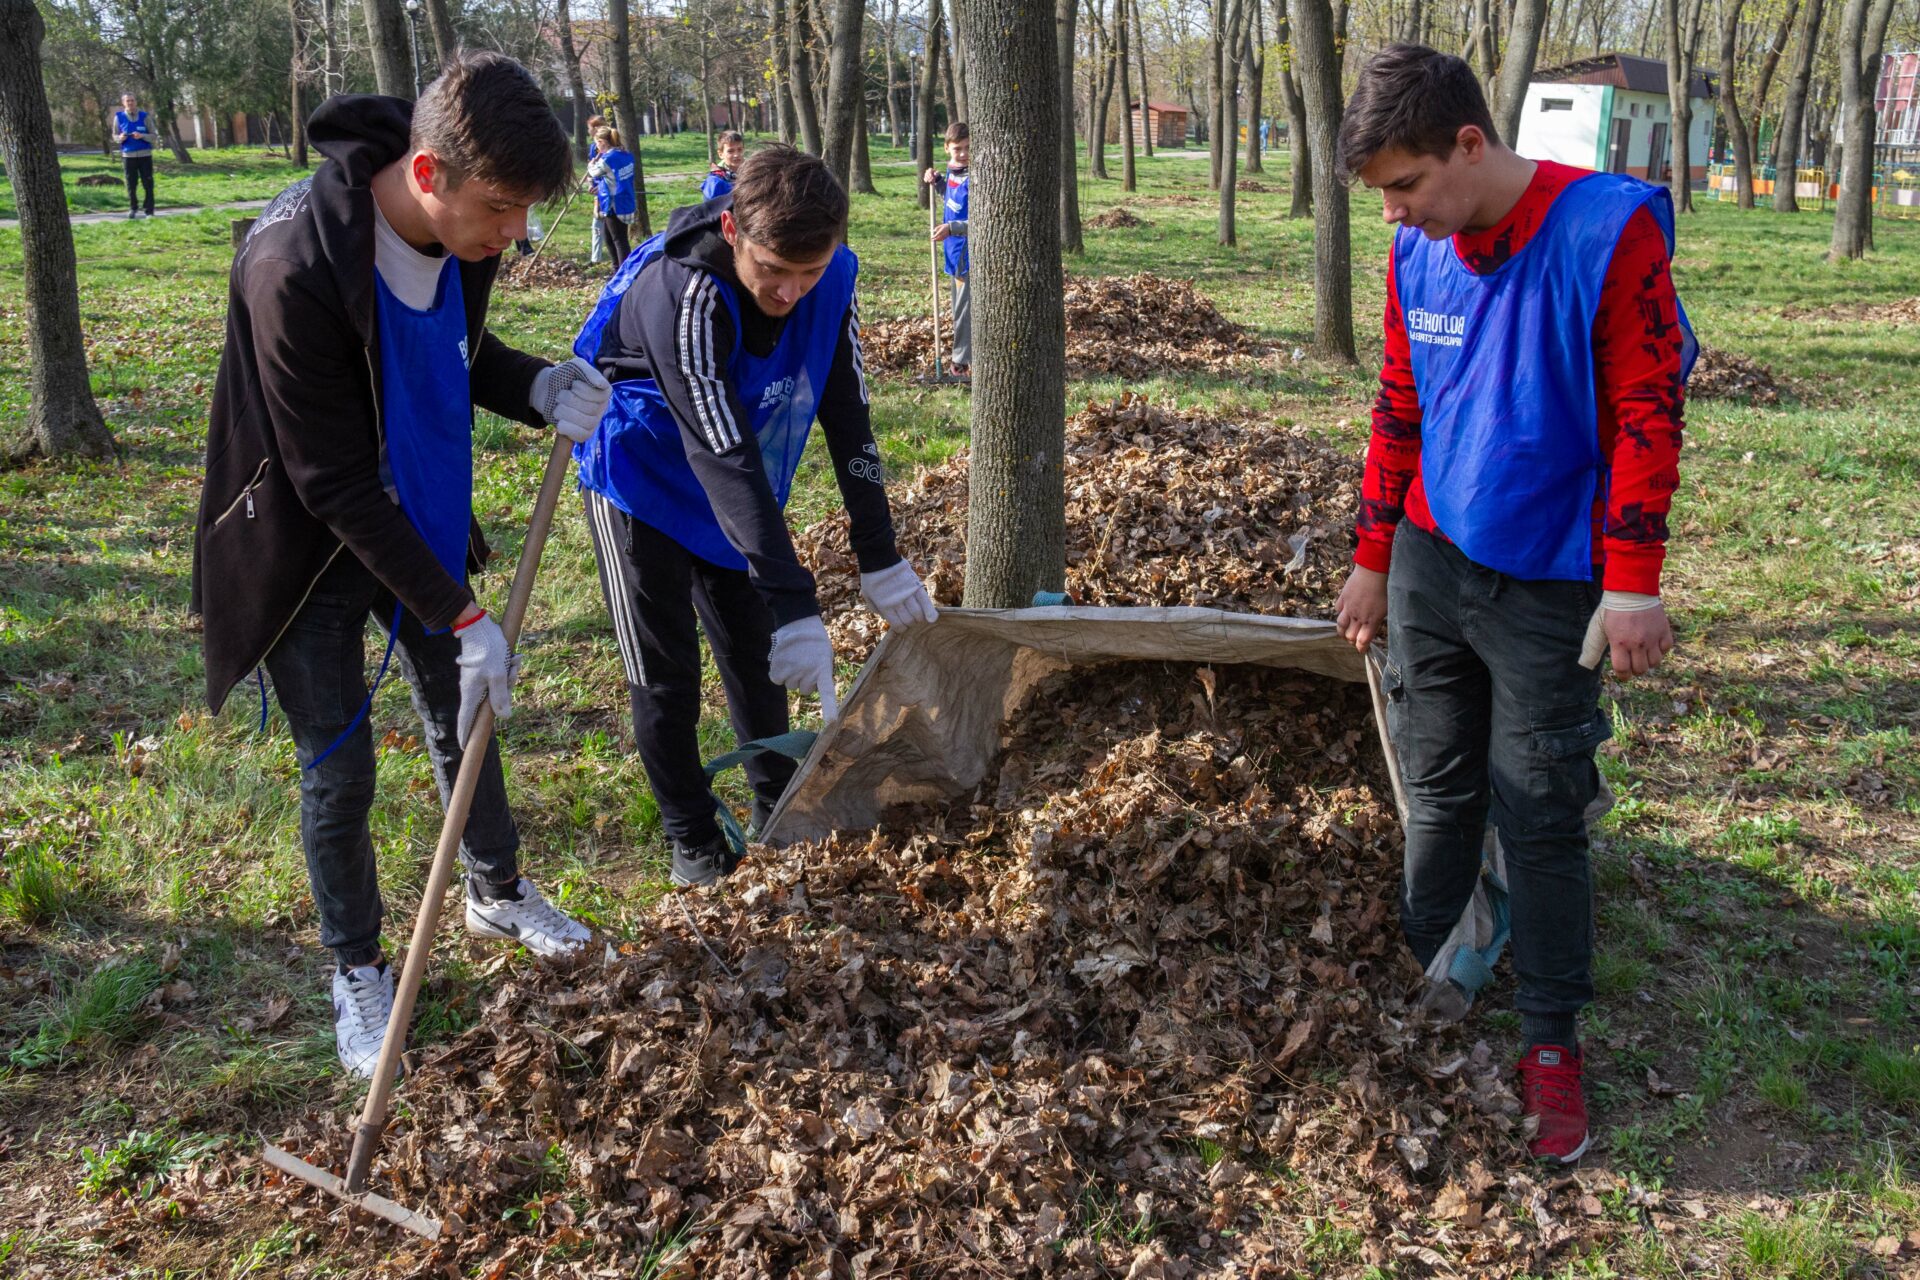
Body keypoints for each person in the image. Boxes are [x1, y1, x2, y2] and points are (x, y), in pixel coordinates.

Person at [191, 53, 615, 1078]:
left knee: (463, 716)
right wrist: (464, 616)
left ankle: (495, 889)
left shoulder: (462, 235)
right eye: (503, 209)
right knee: (338, 770)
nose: (513, 234)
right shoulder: (290, 266)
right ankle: (355, 966)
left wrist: (538, 385)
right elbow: (331, 480)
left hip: (413, 508)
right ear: (428, 172)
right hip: (303, 543)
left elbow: (449, 357)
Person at [1330, 46, 1694, 1164]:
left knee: (1539, 808)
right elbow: (1400, 403)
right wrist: (1375, 554)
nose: (1394, 212)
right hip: (1437, 560)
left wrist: (1633, 581)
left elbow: (1647, 405)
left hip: (1551, 577)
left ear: (1470, 146)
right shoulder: (1416, 252)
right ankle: (1434, 962)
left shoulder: (1606, 230)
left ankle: (1550, 1039)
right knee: (1438, 787)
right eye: (1384, 194)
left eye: (1406, 186)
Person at [573, 145, 937, 889]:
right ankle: (694, 840)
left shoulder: (831, 278)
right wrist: (796, 595)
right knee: (666, 674)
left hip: (732, 484)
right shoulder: (684, 292)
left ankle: (780, 813)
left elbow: (848, 412)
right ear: (735, 229)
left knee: (755, 656)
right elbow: (721, 451)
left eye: (809, 272)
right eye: (774, 270)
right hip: (641, 476)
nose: (790, 292)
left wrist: (879, 551)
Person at [922, 122, 970, 377]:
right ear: (947, 148)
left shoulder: (975, 177)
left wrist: (952, 228)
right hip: (952, 250)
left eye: (967, 148)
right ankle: (963, 357)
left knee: (964, 309)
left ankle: (960, 363)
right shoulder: (954, 173)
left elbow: (985, 221)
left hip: (968, 252)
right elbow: (952, 199)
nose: (962, 154)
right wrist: (938, 182)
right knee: (958, 307)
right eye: (957, 149)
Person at [588, 126, 636, 266]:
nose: (596, 147)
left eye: (597, 143)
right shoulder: (625, 154)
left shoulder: (608, 158)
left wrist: (591, 163)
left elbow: (593, 172)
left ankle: (625, 273)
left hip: (615, 204)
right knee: (609, 239)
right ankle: (616, 272)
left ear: (603, 141)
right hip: (624, 199)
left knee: (619, 241)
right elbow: (613, 177)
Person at [113, 92, 157, 219]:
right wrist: (119, 138)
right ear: (123, 103)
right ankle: (133, 208)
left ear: (136, 102)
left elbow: (154, 136)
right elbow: (115, 135)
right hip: (128, 156)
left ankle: (149, 211)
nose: (130, 103)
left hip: (145, 156)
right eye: (128, 101)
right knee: (131, 184)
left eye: (132, 100)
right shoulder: (119, 117)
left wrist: (142, 135)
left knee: (148, 183)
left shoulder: (145, 116)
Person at [701, 130, 745, 200]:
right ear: (720, 154)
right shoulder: (715, 182)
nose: (736, 155)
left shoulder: (752, 173)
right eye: (730, 151)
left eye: (739, 150)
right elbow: (711, 209)